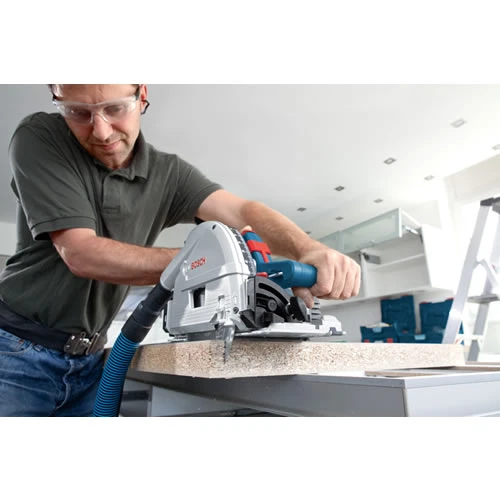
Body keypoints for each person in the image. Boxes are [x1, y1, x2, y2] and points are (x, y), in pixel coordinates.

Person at [0, 84, 360, 417]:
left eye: (115, 109)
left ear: (141, 96)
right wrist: (214, 263)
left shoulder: (167, 174)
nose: (102, 131)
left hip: (90, 359)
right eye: (78, 112)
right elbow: (81, 253)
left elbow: (242, 212)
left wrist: (308, 249)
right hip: (15, 350)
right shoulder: (41, 136)